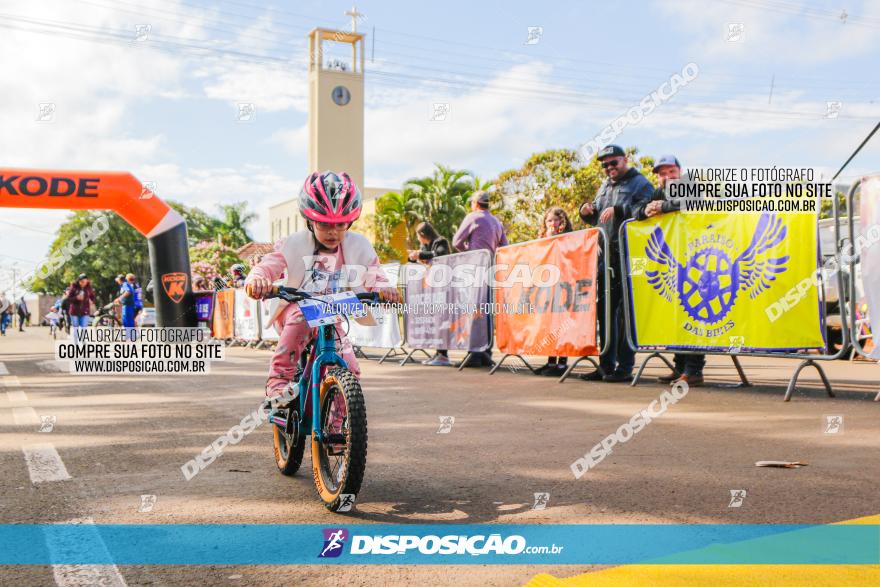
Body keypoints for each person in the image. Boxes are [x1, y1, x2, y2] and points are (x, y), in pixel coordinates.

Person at [245, 171, 400, 401]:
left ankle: (338, 428)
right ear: (310, 220)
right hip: (296, 308)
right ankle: (279, 381)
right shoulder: (294, 244)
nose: (333, 232)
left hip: (331, 312)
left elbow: (373, 273)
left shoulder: (359, 246)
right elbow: (268, 266)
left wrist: (384, 288)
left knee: (351, 370)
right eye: (325, 224)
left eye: (340, 225)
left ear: (350, 221)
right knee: (301, 316)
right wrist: (257, 279)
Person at [578, 145, 653, 383]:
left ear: (625, 159)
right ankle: (606, 366)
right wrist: (586, 211)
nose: (609, 168)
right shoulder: (604, 186)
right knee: (604, 312)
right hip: (605, 257)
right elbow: (598, 216)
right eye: (605, 165)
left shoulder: (640, 183)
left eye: (614, 163)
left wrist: (620, 208)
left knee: (624, 313)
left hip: (629, 256)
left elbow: (646, 210)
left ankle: (625, 367)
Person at [636, 155, 706, 387]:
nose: (667, 177)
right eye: (662, 173)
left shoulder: (689, 184)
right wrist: (645, 210)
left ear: (679, 171)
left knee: (693, 313)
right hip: (673, 262)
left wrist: (664, 207)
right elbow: (639, 209)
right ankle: (679, 366)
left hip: (697, 260)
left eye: (670, 172)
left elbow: (696, 204)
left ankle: (694, 370)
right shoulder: (659, 192)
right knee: (676, 314)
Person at [452, 190, 508, 367]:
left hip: (476, 268)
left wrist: (470, 252)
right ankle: (486, 352)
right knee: (488, 310)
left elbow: (456, 242)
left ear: (475, 203)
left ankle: (475, 353)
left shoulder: (473, 217)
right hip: (492, 269)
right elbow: (505, 246)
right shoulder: (497, 222)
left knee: (475, 309)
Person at [408, 221, 453, 366]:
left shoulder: (441, 242)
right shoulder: (425, 246)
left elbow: (439, 254)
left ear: (422, 235)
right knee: (434, 320)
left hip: (444, 287)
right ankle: (438, 353)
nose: (418, 240)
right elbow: (420, 260)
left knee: (442, 319)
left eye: (418, 236)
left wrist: (419, 254)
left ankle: (443, 355)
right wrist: (413, 257)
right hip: (430, 289)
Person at [536, 207, 573, 376]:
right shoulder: (542, 238)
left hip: (564, 284)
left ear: (562, 221)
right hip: (547, 286)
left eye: (555, 220)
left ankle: (562, 363)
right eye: (549, 220)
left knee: (562, 324)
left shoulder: (568, 238)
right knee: (550, 325)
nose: (552, 223)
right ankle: (550, 362)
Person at [65, 274, 96, 339]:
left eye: (85, 282)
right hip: (74, 312)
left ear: (87, 281)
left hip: (85, 311)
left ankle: (83, 342)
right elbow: (68, 299)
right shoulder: (74, 287)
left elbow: (93, 297)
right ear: (78, 281)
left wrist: (92, 301)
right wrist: (76, 298)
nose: (83, 284)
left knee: (84, 328)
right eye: (82, 282)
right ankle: (76, 345)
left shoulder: (88, 287)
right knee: (76, 328)